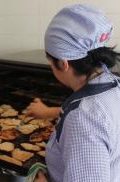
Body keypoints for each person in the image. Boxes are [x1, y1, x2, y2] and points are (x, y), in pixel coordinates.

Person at [26, 4, 120, 182]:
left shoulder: (82, 119)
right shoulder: (114, 84)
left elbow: (88, 119)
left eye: (50, 61)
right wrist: (48, 112)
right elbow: (102, 121)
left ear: (63, 63)